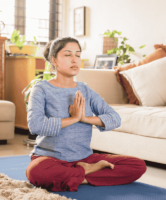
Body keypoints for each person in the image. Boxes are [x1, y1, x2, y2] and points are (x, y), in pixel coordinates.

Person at [26, 37, 146, 192]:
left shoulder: (86, 90)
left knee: (137, 165)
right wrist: (73, 119)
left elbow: (115, 119)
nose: (74, 60)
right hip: (50, 159)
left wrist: (84, 119)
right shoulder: (41, 89)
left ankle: (77, 175)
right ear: (54, 60)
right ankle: (88, 172)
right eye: (68, 55)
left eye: (78, 55)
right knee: (36, 172)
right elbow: (35, 126)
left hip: (85, 158)